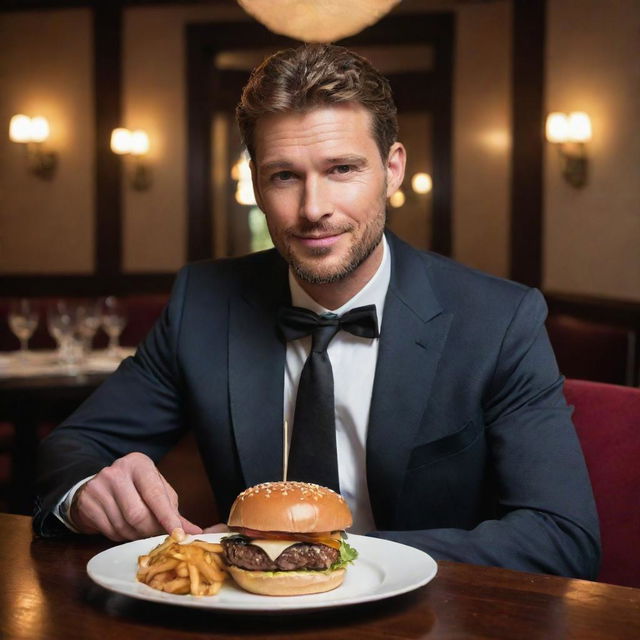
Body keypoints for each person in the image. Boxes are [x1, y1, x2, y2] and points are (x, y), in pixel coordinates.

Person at [34, 44, 600, 579]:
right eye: (285, 176)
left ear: (393, 169)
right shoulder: (203, 304)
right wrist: (84, 495)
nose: (313, 209)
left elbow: (561, 537)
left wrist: (334, 558)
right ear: (255, 181)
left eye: (342, 170)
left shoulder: (498, 320)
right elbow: (71, 447)